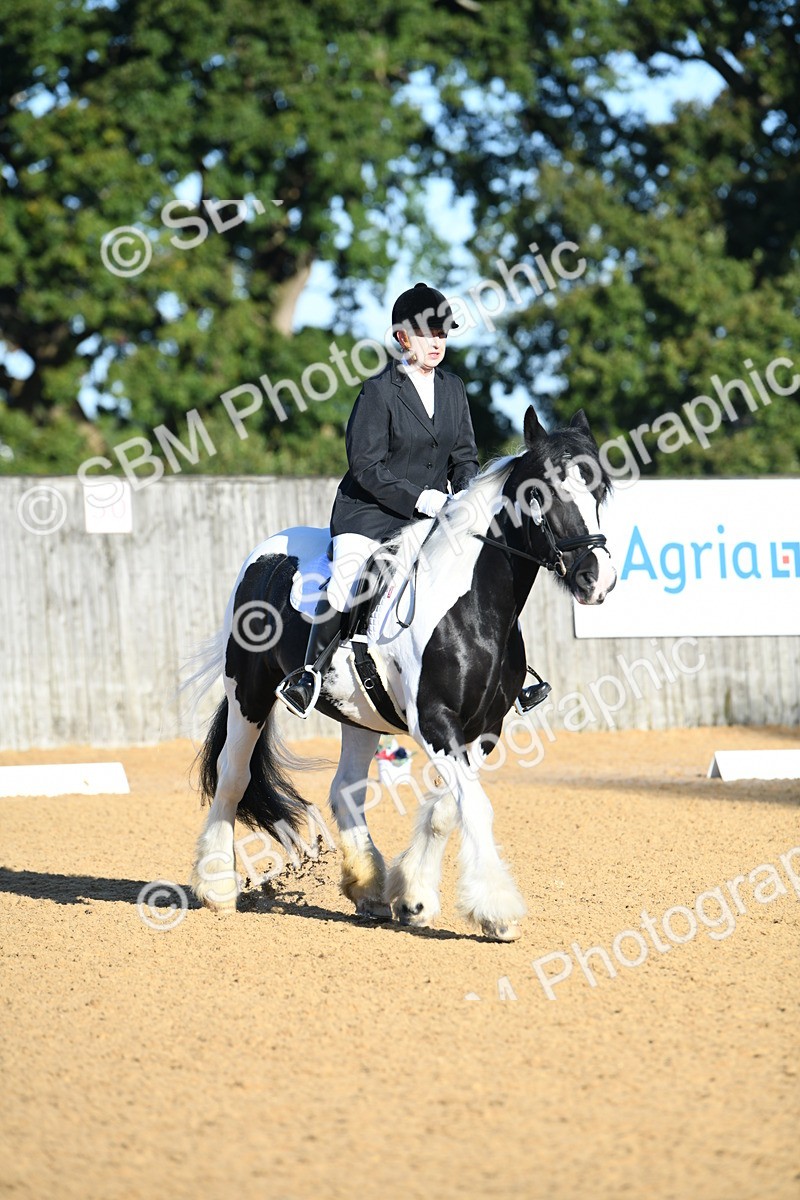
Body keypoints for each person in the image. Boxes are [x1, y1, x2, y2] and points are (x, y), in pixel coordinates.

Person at [275, 281, 549, 719]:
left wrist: (465, 494)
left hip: (435, 511)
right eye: (428, 333)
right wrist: (422, 499)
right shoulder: (379, 392)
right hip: (369, 512)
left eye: (443, 334)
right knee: (348, 580)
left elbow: (464, 456)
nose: (437, 342)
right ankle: (309, 673)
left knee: (477, 573)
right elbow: (365, 466)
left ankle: (512, 672)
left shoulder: (454, 388)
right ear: (403, 337)